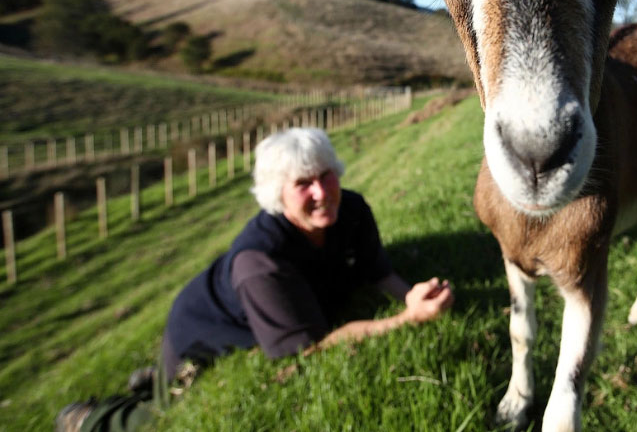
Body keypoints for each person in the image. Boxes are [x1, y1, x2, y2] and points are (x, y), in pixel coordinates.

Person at [56, 127, 454, 432]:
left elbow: (378, 272)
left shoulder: (351, 209)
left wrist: (410, 295)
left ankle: (147, 382)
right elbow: (310, 348)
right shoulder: (259, 262)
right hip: (203, 332)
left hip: (260, 300)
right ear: (277, 195)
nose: (321, 192)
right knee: (165, 416)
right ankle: (90, 417)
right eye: (302, 184)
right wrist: (407, 320)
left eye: (326, 175)